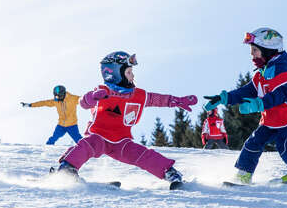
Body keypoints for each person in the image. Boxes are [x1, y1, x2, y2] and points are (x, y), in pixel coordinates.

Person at [55, 51, 197, 189]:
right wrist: (93, 97)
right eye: (129, 72)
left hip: (122, 142)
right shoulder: (103, 91)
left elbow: (157, 99)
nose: (132, 75)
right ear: (114, 74)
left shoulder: (138, 95)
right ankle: (67, 168)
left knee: (143, 154)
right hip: (99, 137)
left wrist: (177, 101)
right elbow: (84, 103)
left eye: (131, 72)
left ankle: (169, 172)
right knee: (86, 146)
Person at [204, 27, 287, 184]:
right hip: (272, 119)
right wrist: (224, 98)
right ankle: (244, 174)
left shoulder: (284, 67)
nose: (251, 54)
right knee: (254, 142)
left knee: (284, 142)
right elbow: (246, 91)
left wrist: (260, 104)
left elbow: (283, 93)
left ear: (268, 50)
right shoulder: (261, 73)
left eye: (255, 50)